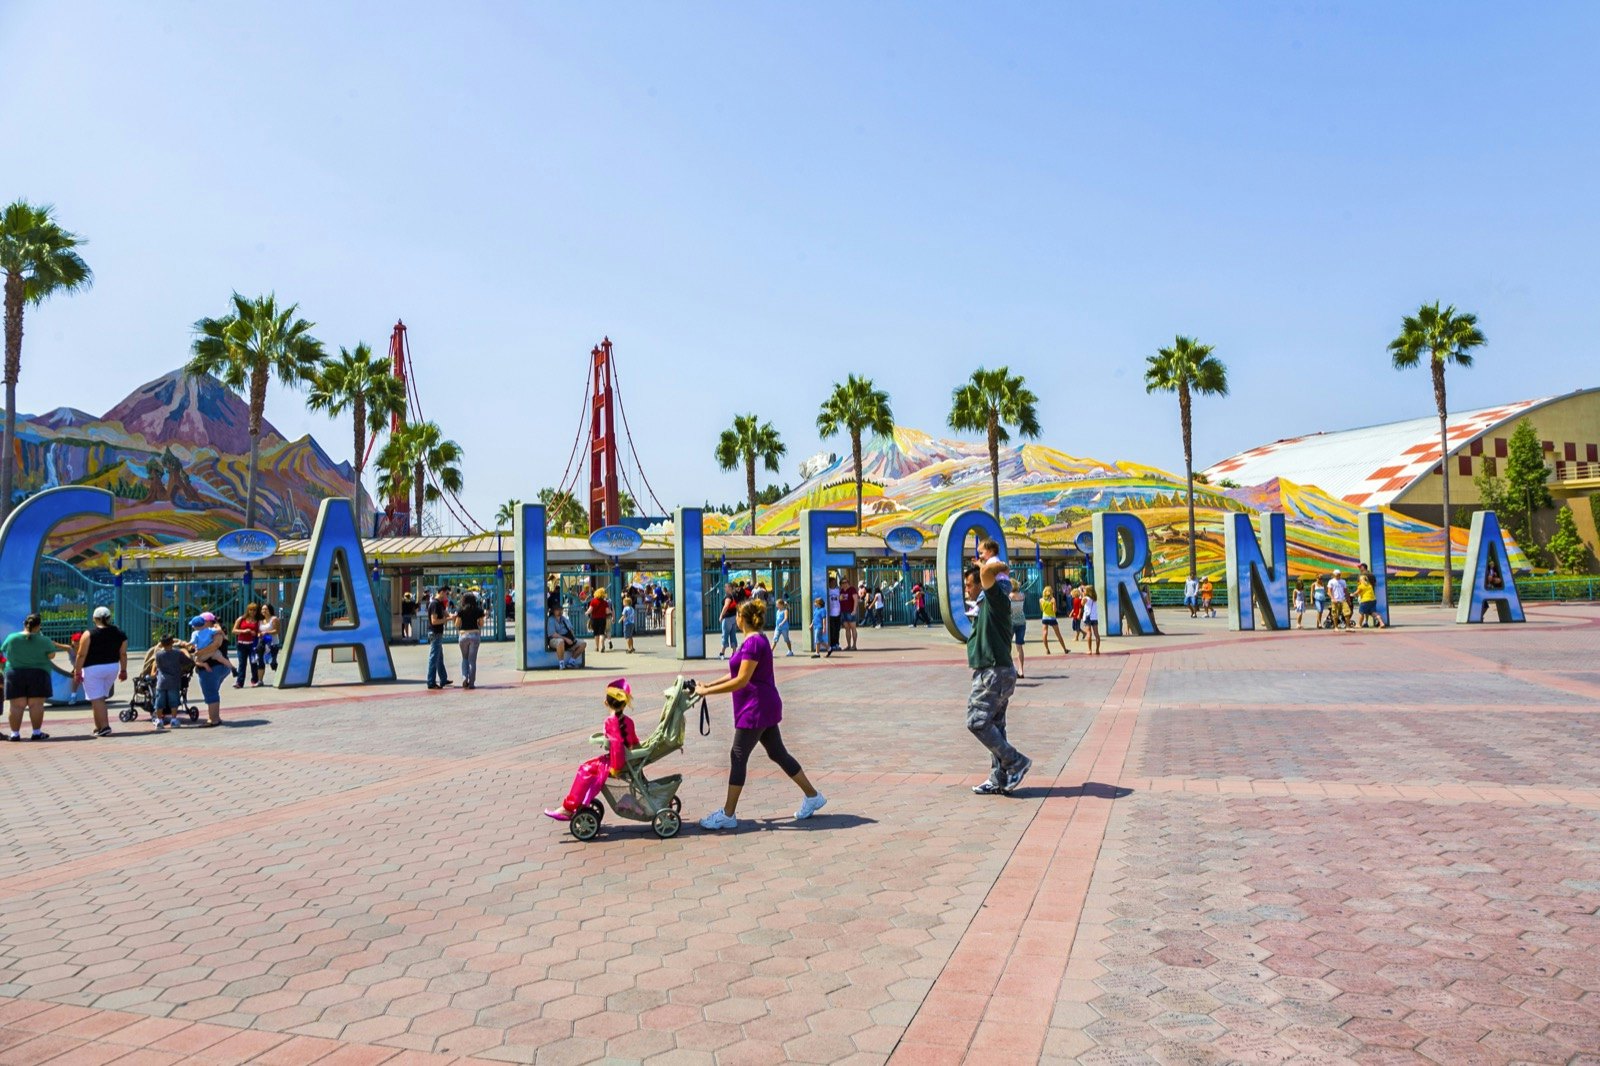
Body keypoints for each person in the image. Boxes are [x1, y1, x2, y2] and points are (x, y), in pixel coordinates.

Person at [697, 599, 825, 830]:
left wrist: (707, 691)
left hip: (756, 708)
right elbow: (735, 673)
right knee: (777, 753)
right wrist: (708, 685)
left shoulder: (754, 642)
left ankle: (728, 814)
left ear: (742, 618)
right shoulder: (752, 640)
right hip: (761, 706)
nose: (734, 618)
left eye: (736, 615)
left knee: (738, 755)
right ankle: (813, 796)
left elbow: (742, 680)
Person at [963, 560, 1031, 796]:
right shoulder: (985, 606)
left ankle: (1015, 762)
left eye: (969, 585)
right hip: (993, 672)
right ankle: (999, 778)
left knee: (977, 721)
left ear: (983, 585)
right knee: (996, 727)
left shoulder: (996, 600)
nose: (967, 590)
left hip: (994, 673)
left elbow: (987, 573)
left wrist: (994, 564)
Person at [545, 678, 638, 820]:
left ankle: (568, 808)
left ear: (606, 702)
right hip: (625, 758)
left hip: (616, 762)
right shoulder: (628, 721)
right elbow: (633, 742)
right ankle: (576, 803)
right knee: (587, 767)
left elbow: (617, 744)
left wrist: (616, 767)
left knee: (585, 771)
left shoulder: (610, 721)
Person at [5, 614, 62, 741]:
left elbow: (5, 651)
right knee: (36, 705)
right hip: (39, 673)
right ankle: (36, 733)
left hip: (15, 673)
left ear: (24, 623)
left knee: (16, 706)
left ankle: (15, 734)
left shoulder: (12, 638)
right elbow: (51, 656)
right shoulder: (45, 640)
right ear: (39, 626)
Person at [74, 605, 129, 737]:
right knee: (99, 698)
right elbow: (123, 654)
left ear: (94, 619)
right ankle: (98, 726)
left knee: (97, 699)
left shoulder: (88, 634)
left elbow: (81, 655)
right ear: (109, 618)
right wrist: (123, 670)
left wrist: (77, 671)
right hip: (112, 667)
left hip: (93, 669)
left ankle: (104, 726)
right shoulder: (120, 633)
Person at [188, 614, 231, 726]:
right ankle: (215, 717)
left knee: (211, 693)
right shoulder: (218, 630)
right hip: (221, 666)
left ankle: (213, 719)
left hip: (212, 667)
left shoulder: (215, 631)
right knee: (213, 691)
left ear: (208, 622)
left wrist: (198, 653)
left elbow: (215, 645)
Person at [151, 634, 192, 731]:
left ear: (161, 644)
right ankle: (173, 719)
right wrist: (185, 651)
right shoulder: (178, 653)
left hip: (161, 682)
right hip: (174, 681)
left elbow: (157, 666)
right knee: (174, 702)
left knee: (159, 702)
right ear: (172, 642)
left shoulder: (158, 654)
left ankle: (159, 720)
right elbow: (188, 661)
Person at [456, 591, 485, 689]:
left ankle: (465, 677)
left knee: (464, 658)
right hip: (475, 635)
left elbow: (457, 624)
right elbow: (481, 624)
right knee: (472, 660)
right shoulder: (479, 610)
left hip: (463, 635)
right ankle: (471, 683)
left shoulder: (460, 610)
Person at [426, 589, 452, 688]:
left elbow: (446, 614)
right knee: (434, 658)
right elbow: (434, 621)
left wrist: (453, 616)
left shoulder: (440, 604)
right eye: (446, 593)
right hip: (435, 633)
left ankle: (443, 679)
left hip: (438, 633)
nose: (447, 595)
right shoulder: (435, 604)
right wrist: (448, 619)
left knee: (439, 657)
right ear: (441, 592)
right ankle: (431, 682)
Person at [548, 605, 585, 669]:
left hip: (567, 639)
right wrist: (566, 639)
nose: (560, 611)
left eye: (561, 609)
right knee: (560, 641)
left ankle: (571, 662)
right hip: (555, 639)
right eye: (557, 610)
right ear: (553, 611)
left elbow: (571, 629)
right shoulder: (551, 619)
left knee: (583, 643)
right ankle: (561, 664)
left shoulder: (564, 619)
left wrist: (573, 638)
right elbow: (553, 634)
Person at [1038, 585, 1068, 655]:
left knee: (1045, 633)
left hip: (1045, 618)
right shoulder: (1052, 599)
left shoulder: (1041, 600)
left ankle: (1047, 649)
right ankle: (1065, 649)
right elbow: (1054, 610)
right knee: (1058, 634)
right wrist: (1054, 605)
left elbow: (1041, 609)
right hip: (1052, 618)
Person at [1009, 581, 1028, 679]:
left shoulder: (1009, 596)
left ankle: (1010, 669)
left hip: (1011, 622)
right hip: (1022, 621)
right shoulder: (1022, 595)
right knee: (1019, 647)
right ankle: (1021, 670)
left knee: (1007, 647)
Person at [256, 604, 280, 675]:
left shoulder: (274, 619)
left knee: (273, 663)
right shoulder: (260, 621)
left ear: (270, 610)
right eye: (263, 609)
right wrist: (259, 634)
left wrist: (266, 632)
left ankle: (280, 676)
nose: (264, 611)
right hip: (262, 644)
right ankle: (260, 681)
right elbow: (259, 632)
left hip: (273, 644)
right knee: (260, 662)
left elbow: (277, 631)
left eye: (266, 609)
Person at [718, 584, 739, 659]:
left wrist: (721, 615)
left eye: (725, 587)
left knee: (725, 635)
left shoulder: (728, 596)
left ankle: (722, 653)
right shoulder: (735, 596)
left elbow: (726, 606)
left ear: (729, 587)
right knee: (733, 635)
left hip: (727, 618)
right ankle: (734, 653)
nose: (724, 588)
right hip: (734, 618)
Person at [839, 580, 858, 651]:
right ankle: (849, 645)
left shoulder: (852, 589)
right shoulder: (841, 591)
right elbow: (840, 600)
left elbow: (856, 600)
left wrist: (854, 609)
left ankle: (854, 645)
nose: (844, 584)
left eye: (845, 582)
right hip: (843, 611)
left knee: (853, 627)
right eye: (842, 583)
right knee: (847, 628)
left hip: (850, 611)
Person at [826, 575, 842, 652]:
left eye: (834, 582)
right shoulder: (827, 590)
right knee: (832, 629)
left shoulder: (837, 590)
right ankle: (832, 643)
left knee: (837, 629)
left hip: (838, 612)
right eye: (832, 582)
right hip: (830, 613)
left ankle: (836, 643)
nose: (833, 583)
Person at [1083, 586, 1102, 655]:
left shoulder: (1085, 598)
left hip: (1088, 617)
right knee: (1096, 634)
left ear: (1087, 592)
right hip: (1094, 618)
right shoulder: (1094, 599)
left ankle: (1089, 650)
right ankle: (1097, 650)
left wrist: (1083, 596)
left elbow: (1081, 604)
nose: (1083, 592)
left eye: (1084, 590)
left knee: (1089, 633)